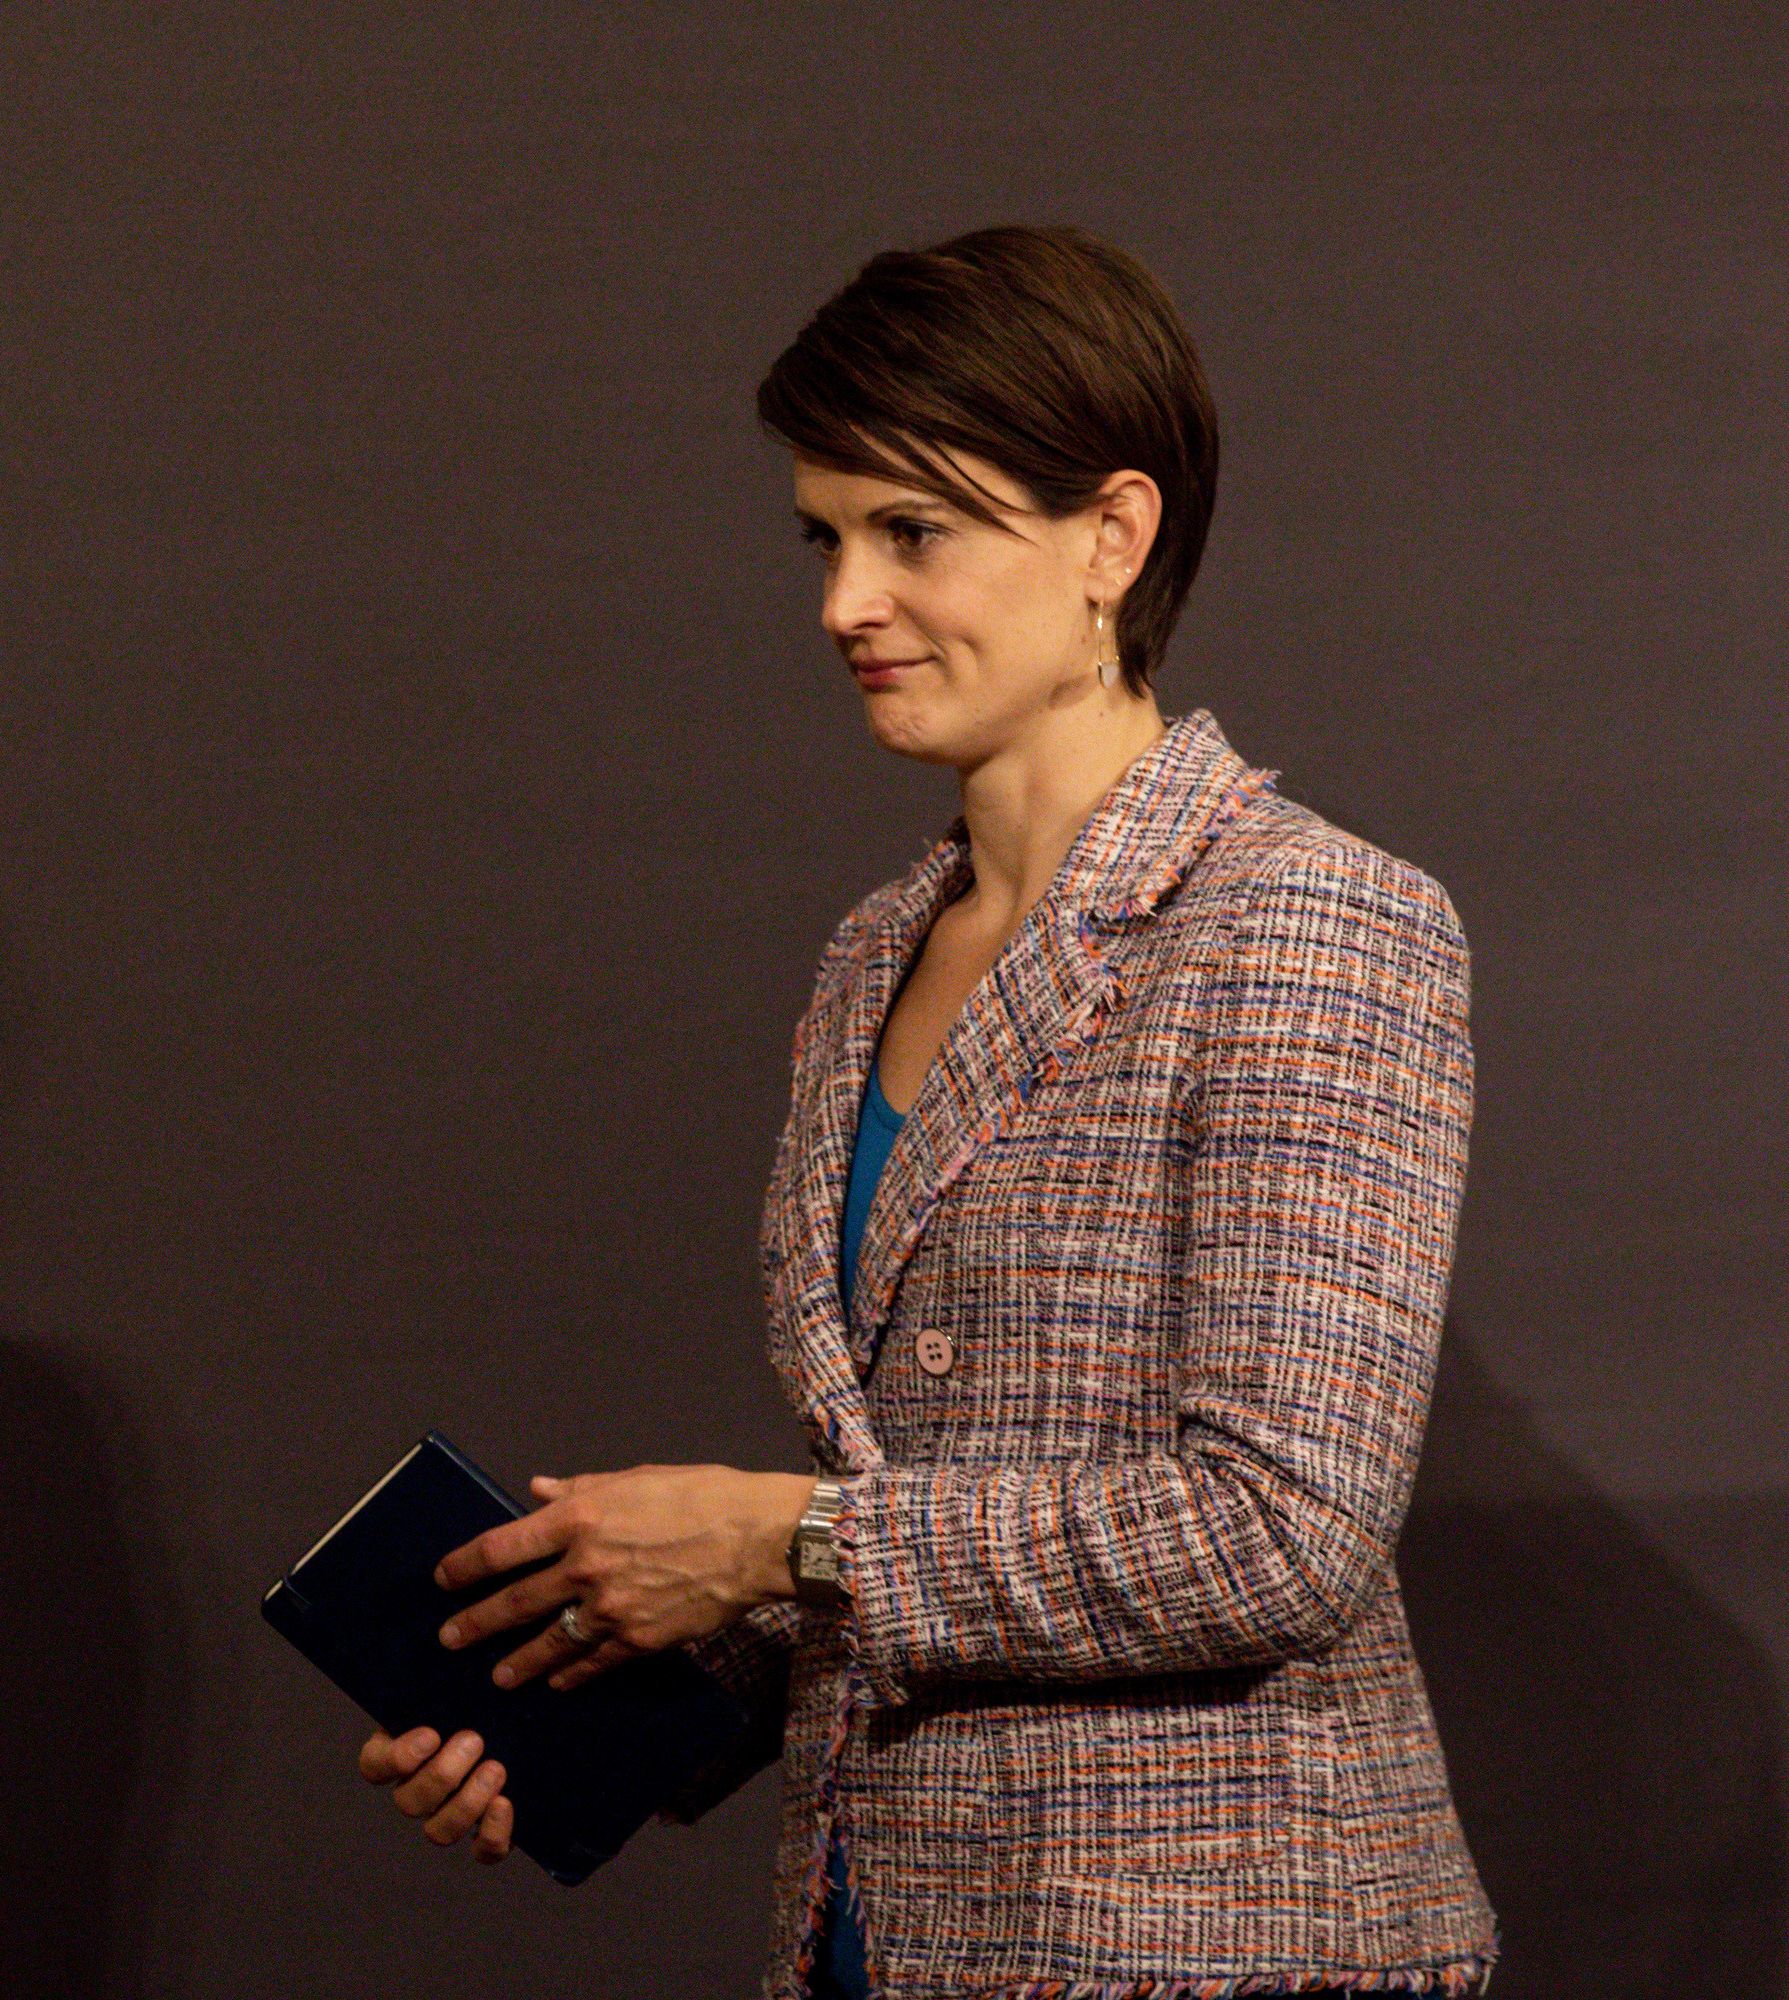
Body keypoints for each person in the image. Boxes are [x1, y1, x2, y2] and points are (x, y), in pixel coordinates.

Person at [350, 225, 1500, 1999]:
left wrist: (769, 1537)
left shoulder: (1312, 920)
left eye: (912, 531)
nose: (844, 606)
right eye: (825, 538)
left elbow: (1282, 1532)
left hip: (1218, 1951)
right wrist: (583, 1698)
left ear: (1112, 536)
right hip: (883, 1938)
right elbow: (916, 1514)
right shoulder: (871, 951)